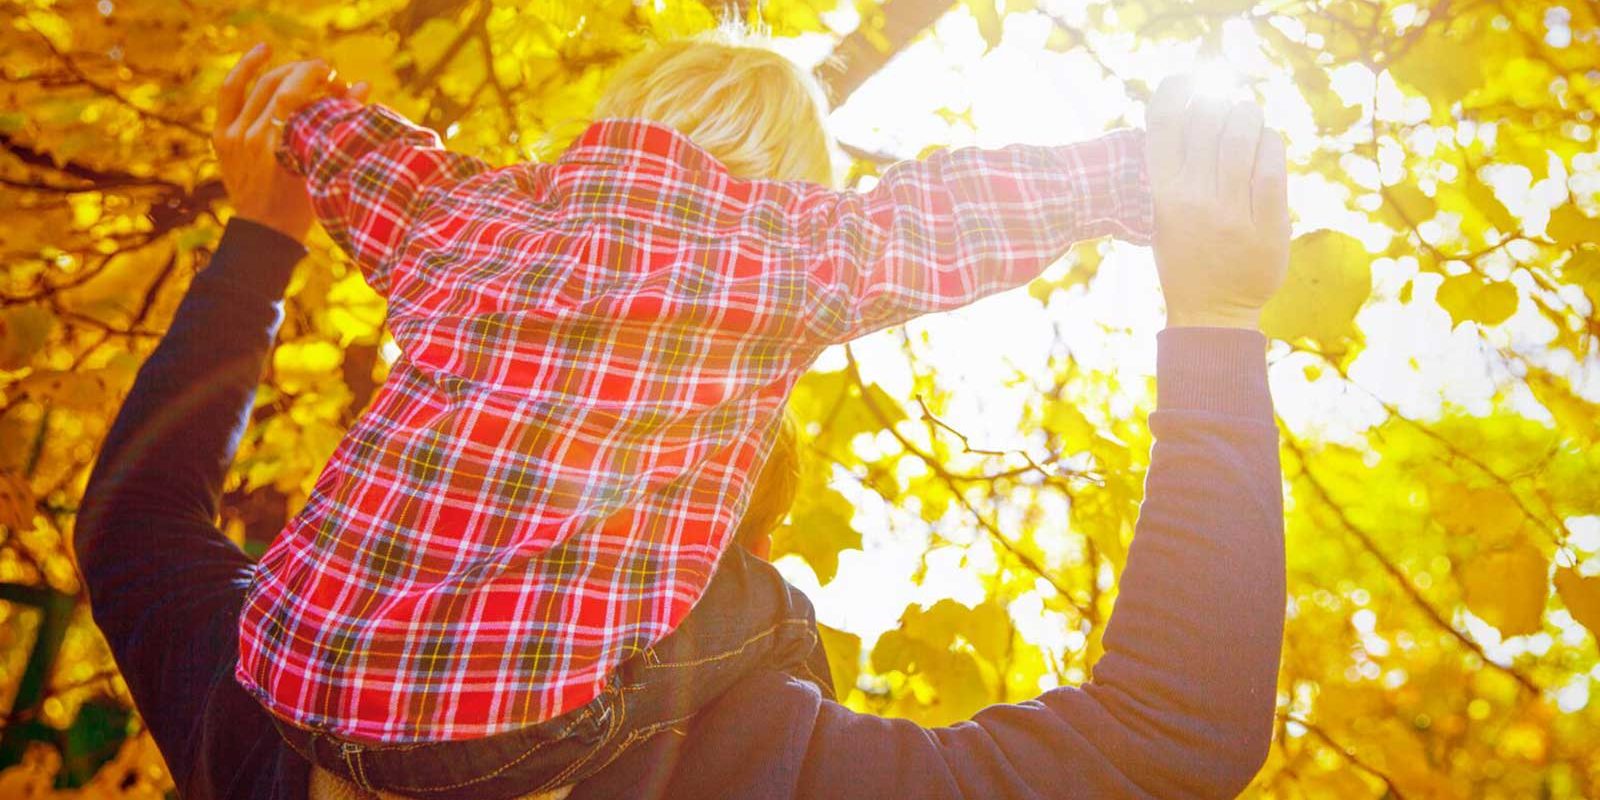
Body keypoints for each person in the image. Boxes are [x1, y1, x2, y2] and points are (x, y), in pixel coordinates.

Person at [75, 37, 1290, 800]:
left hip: (306, 677)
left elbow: (133, 522)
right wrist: (1196, 269)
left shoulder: (473, 227)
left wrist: (268, 218)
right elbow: (1167, 739)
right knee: (764, 633)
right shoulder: (743, 757)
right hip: (552, 728)